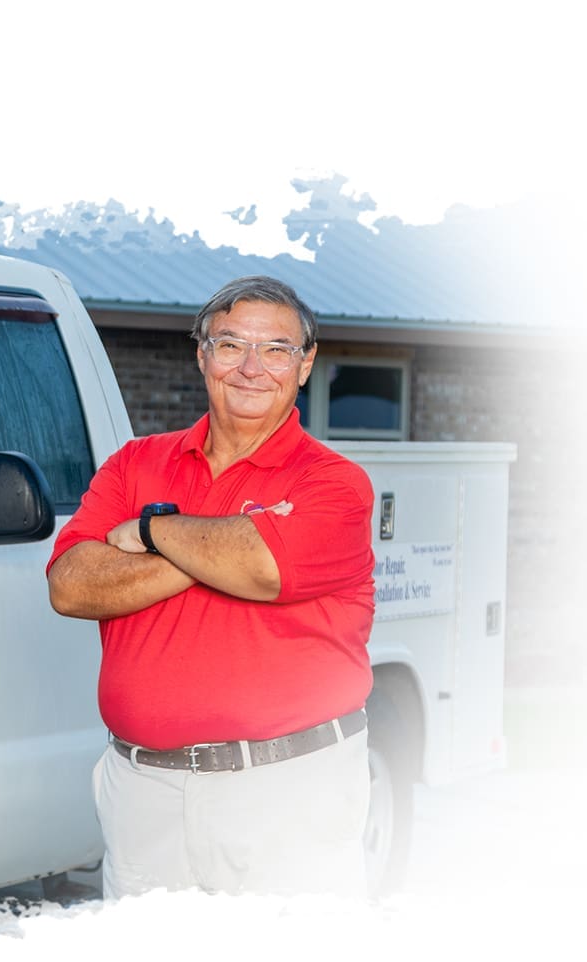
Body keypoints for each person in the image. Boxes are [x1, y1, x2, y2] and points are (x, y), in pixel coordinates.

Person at [46, 275, 375, 900]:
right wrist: (230, 542)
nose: (252, 367)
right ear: (202, 355)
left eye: (276, 349)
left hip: (284, 791)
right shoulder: (134, 463)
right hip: (143, 792)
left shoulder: (334, 484)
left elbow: (263, 571)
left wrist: (149, 528)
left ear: (305, 364)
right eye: (230, 345)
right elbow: (70, 587)